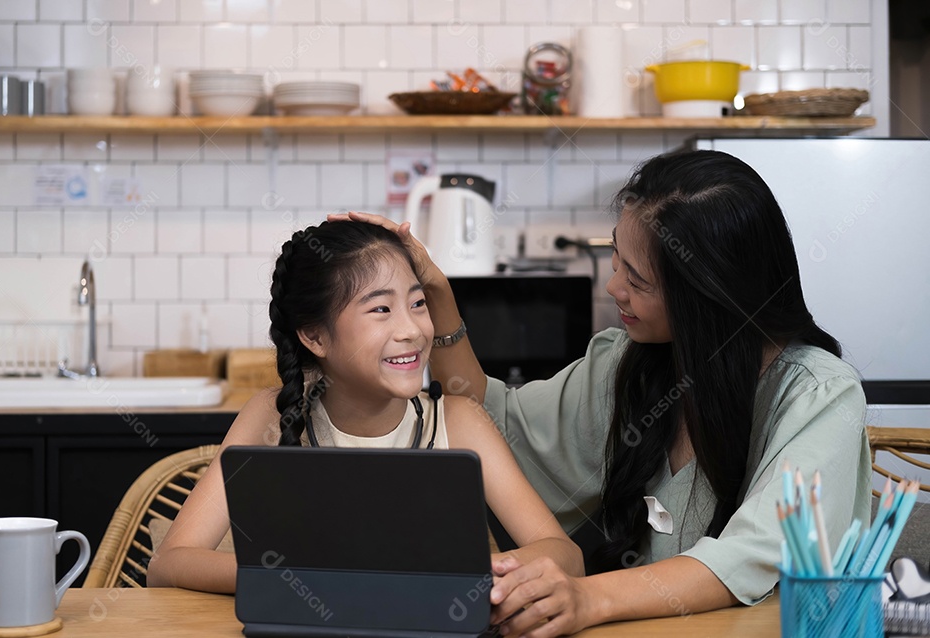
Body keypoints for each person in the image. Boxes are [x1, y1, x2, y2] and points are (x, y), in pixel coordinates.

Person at [333, 149, 872, 636]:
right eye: (616, 261)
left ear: (706, 297)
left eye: (637, 280)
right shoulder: (628, 364)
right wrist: (436, 293)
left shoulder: (819, 395)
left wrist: (587, 598)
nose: (614, 288)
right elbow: (495, 428)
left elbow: (755, 554)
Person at [147, 221, 582, 593]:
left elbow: (566, 556)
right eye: (381, 309)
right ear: (315, 336)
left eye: (418, 303)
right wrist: (306, 577)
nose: (412, 330)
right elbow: (168, 564)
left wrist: (473, 572)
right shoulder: (271, 415)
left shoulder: (459, 420)